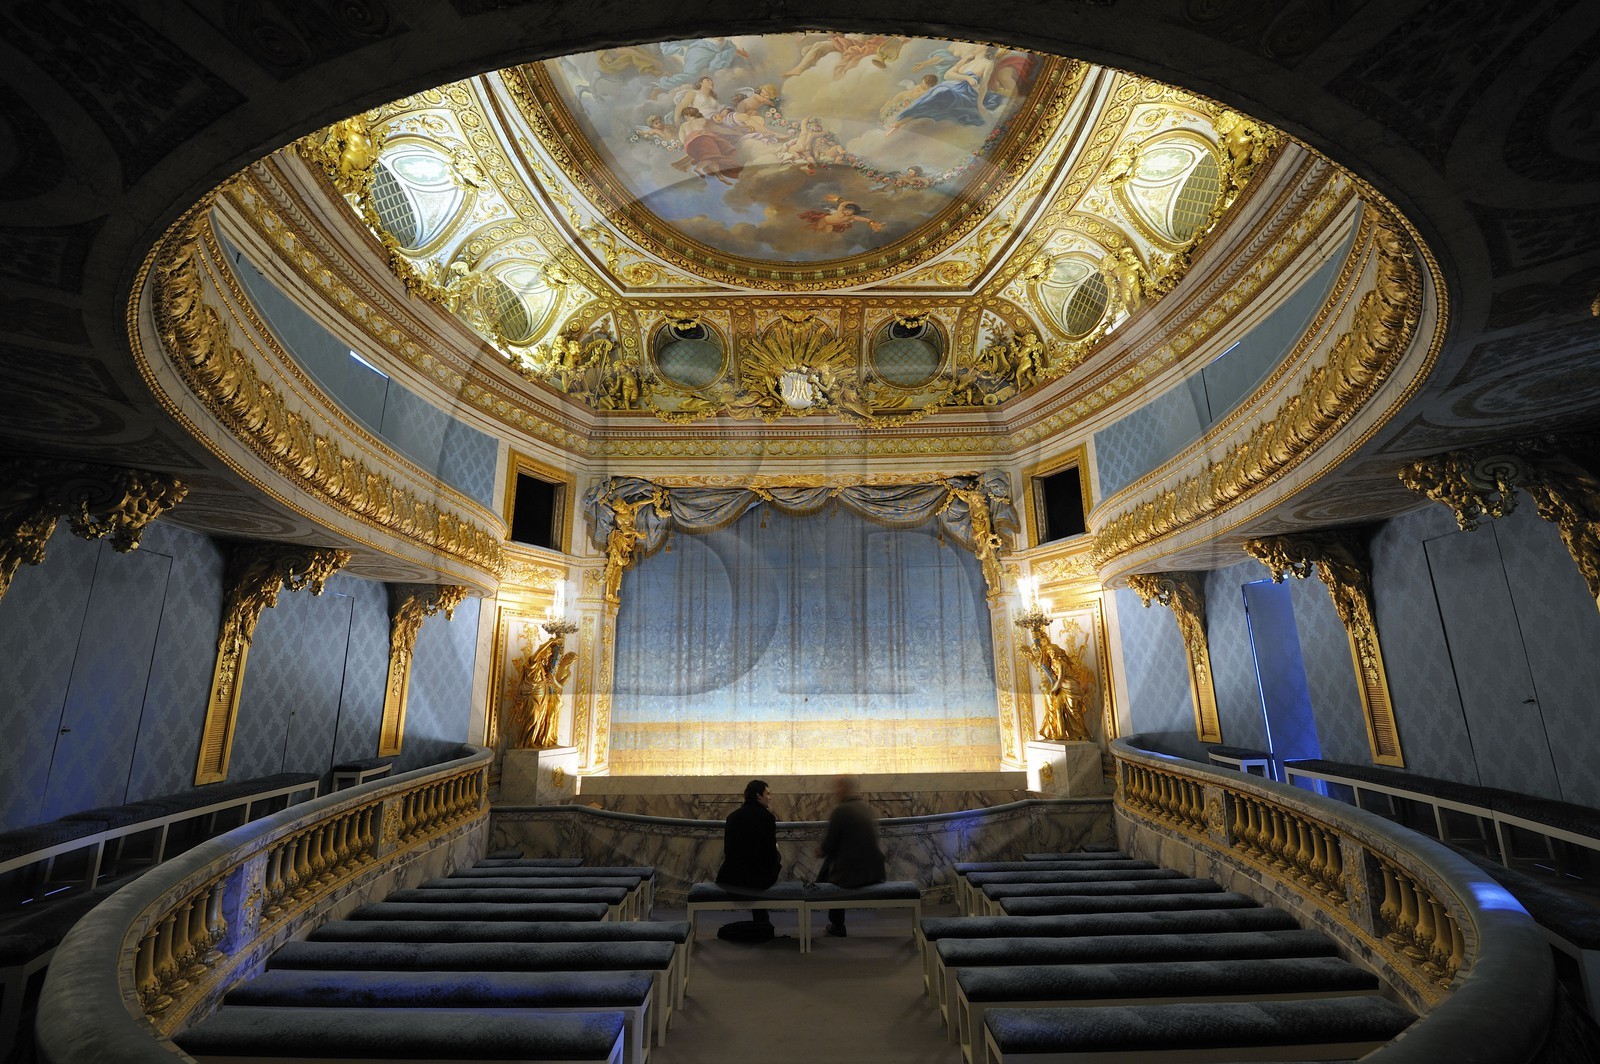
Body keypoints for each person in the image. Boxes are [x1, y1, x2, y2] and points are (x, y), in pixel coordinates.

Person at [816, 774, 885, 937]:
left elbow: (828, 845)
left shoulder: (841, 811)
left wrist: (820, 850)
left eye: (838, 787)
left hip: (853, 877)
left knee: (829, 869)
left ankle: (836, 923)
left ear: (844, 789)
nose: (835, 791)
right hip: (875, 873)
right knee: (833, 863)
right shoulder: (865, 807)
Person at [716, 779, 781, 926]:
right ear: (758, 795)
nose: (770, 797)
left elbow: (728, 851)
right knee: (771, 862)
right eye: (768, 793)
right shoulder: (767, 818)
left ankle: (761, 920)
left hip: (731, 878)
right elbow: (770, 855)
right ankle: (762, 921)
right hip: (757, 881)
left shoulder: (732, 817)